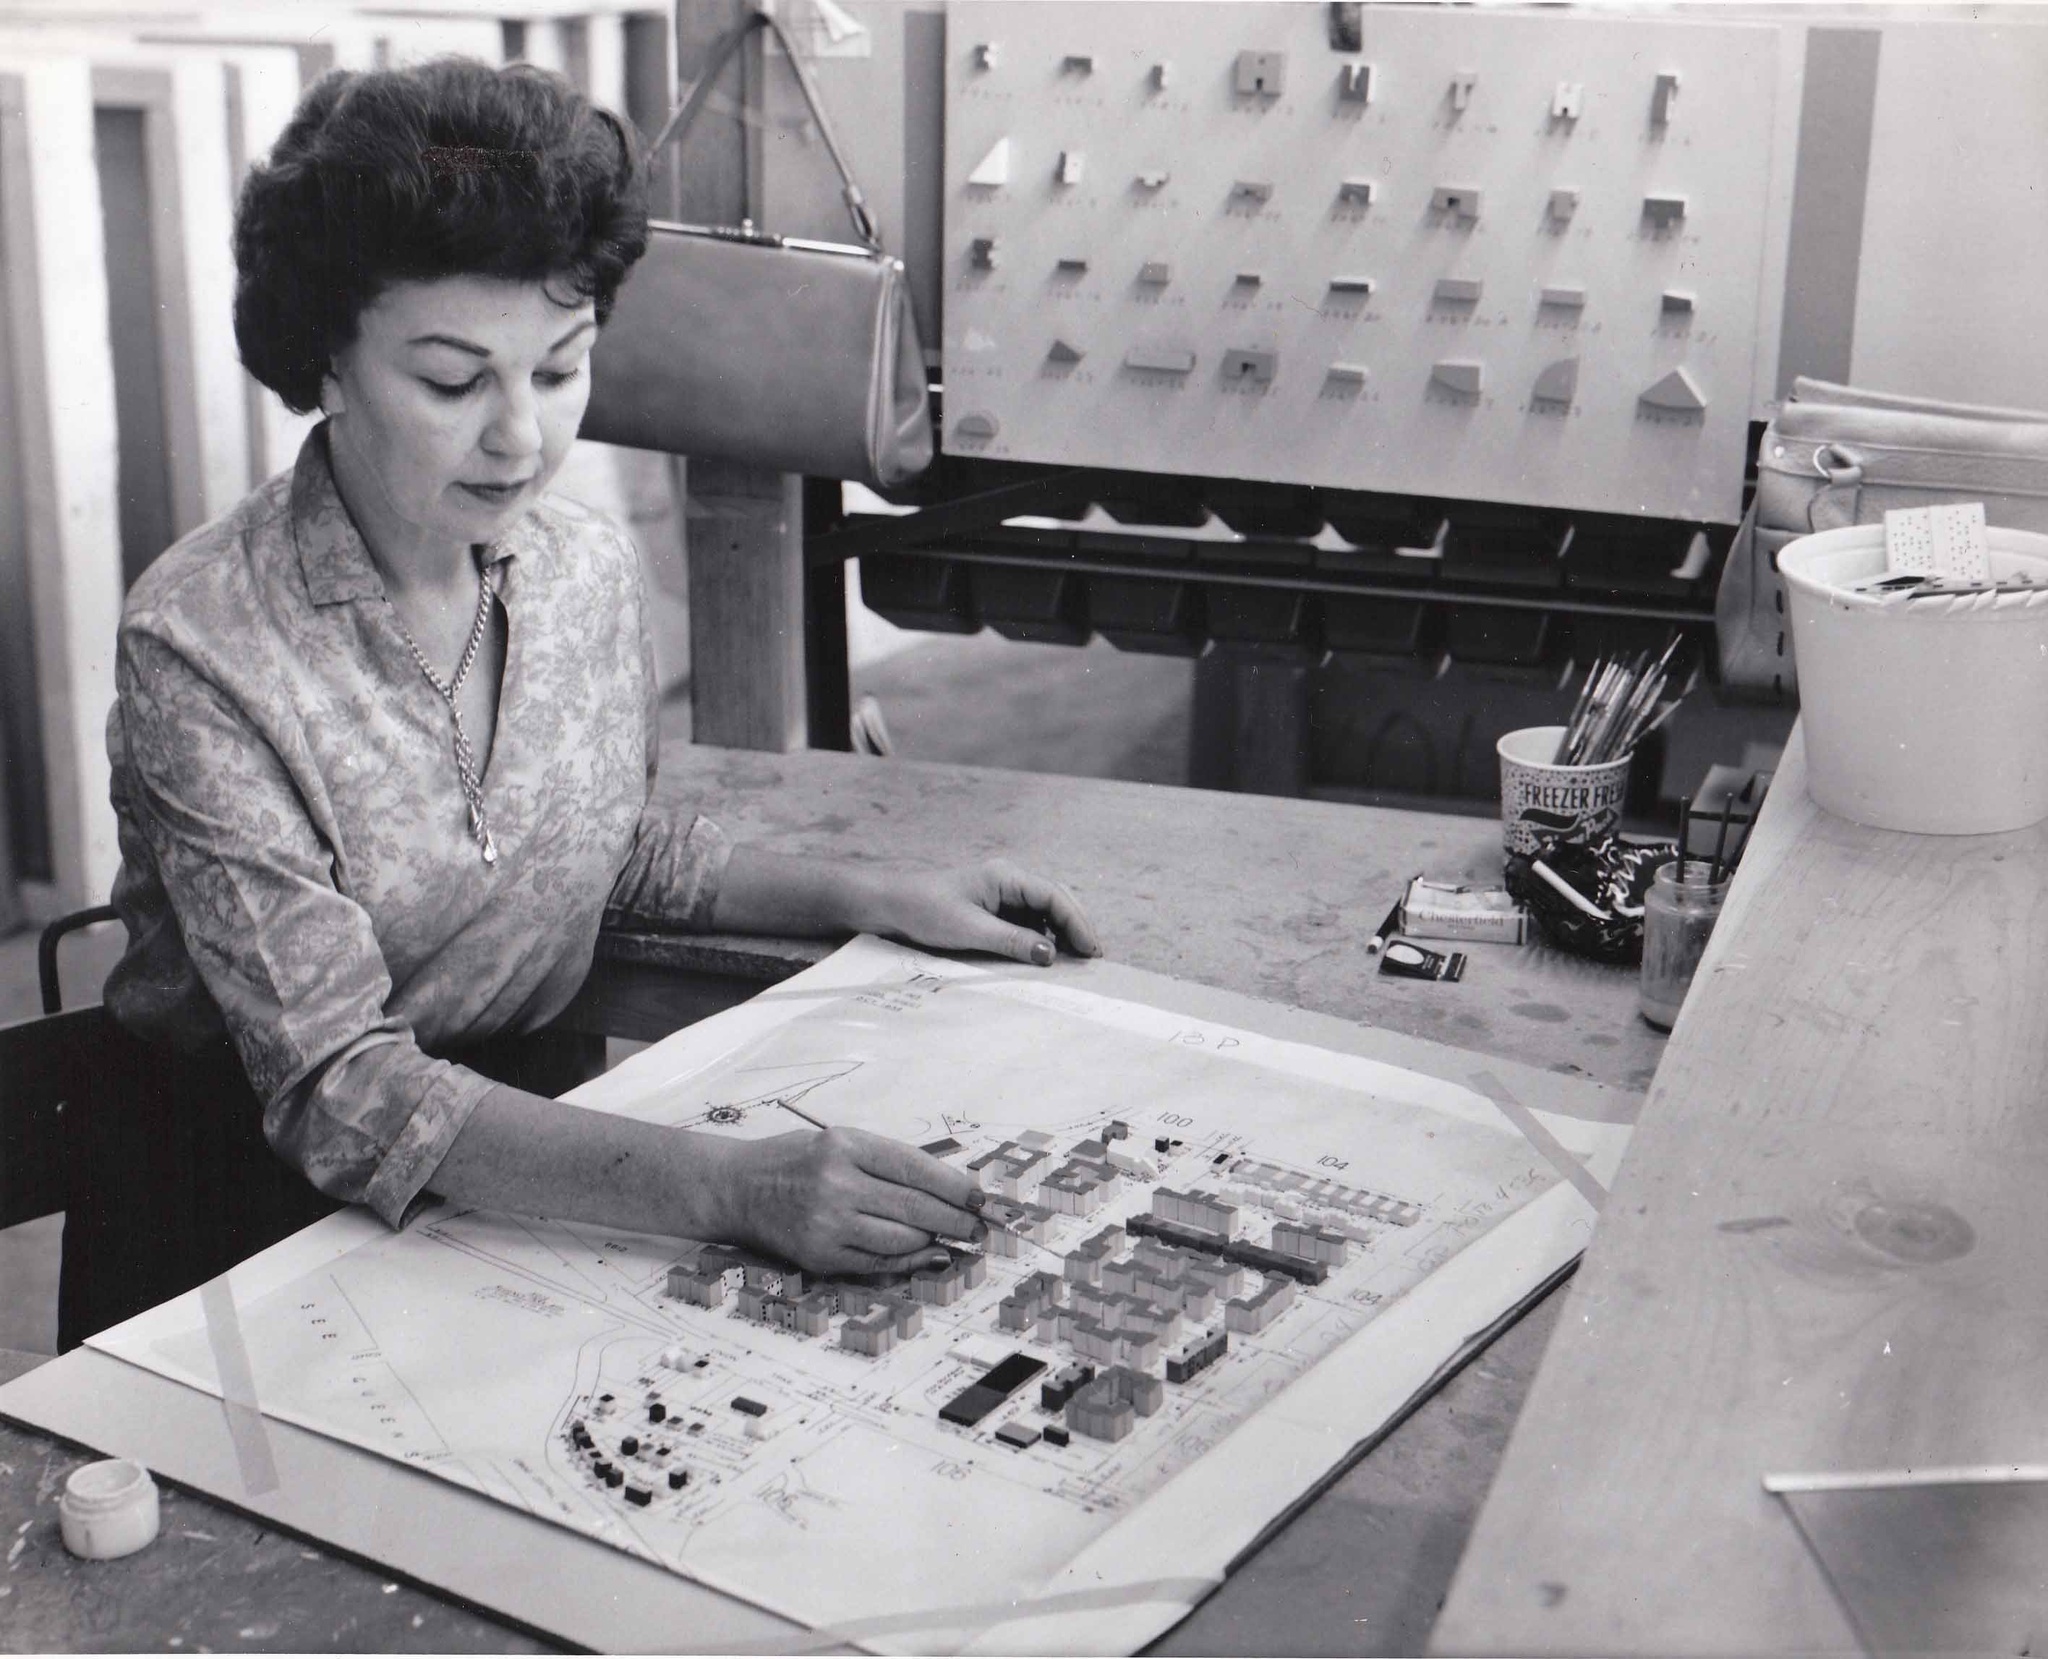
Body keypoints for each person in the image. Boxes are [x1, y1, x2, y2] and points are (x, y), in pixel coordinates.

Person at [99, 57, 1099, 1311]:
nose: (520, 436)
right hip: (238, 1217)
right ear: (328, 362)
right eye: (454, 382)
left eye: (560, 368)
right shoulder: (204, 642)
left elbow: (596, 852)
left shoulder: (581, 572)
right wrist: (736, 1186)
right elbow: (340, 1091)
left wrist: (875, 891)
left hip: (538, 1157)